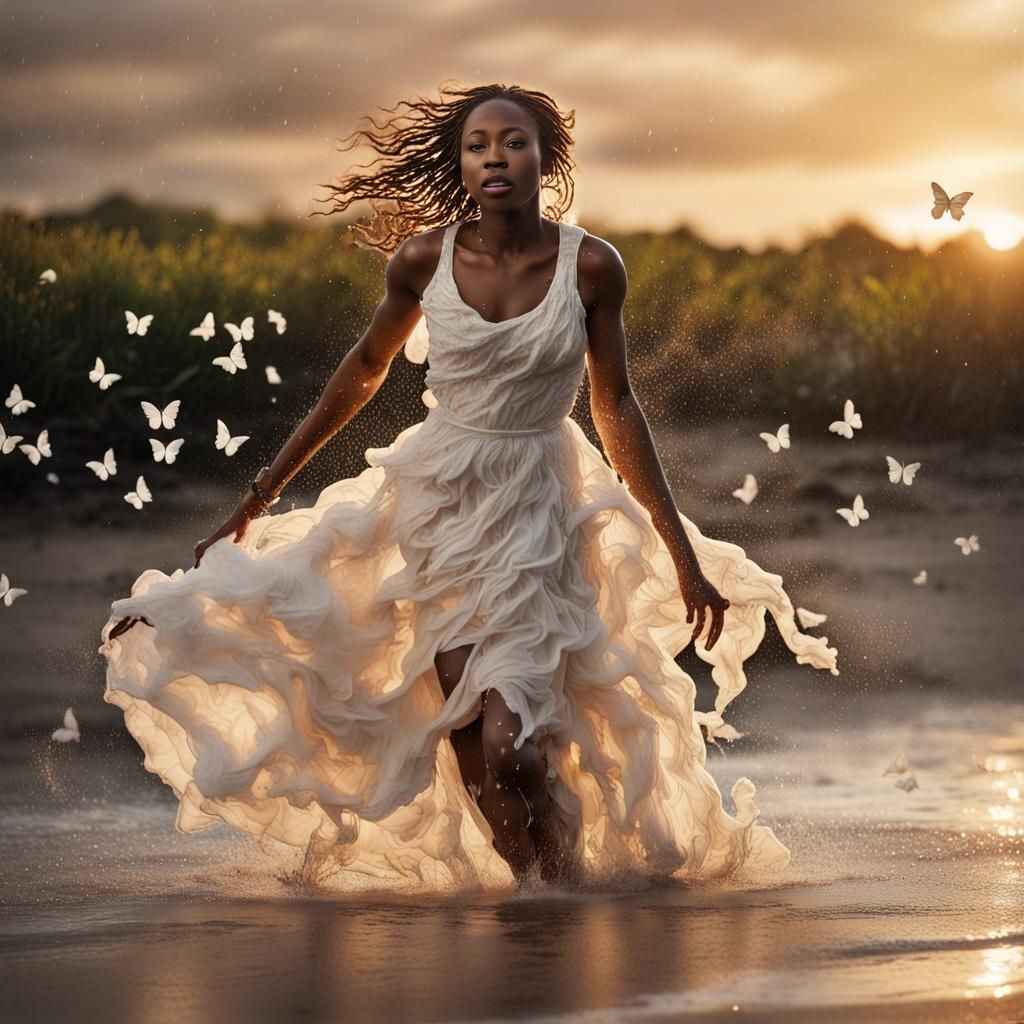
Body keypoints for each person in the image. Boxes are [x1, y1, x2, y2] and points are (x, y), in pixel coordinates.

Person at [102, 82, 838, 890]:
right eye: (478, 145)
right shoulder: (423, 259)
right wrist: (262, 490)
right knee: (461, 732)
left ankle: (558, 876)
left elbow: (614, 403)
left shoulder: (590, 265)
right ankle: (542, 895)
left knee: (508, 742)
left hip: (540, 507)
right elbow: (366, 370)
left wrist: (680, 551)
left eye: (513, 143)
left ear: (545, 159)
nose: (495, 157)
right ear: (460, 162)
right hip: (441, 505)